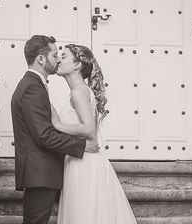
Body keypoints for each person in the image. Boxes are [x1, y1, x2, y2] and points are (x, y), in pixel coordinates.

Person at [11, 34, 99, 224]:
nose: (58, 59)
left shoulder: (34, 85)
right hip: (40, 173)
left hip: (45, 173)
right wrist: (81, 147)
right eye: (54, 55)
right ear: (41, 59)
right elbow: (44, 135)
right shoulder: (32, 87)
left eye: (61, 56)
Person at [52, 43, 137, 224]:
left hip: (83, 163)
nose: (58, 59)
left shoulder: (79, 92)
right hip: (82, 158)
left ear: (77, 65)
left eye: (64, 56)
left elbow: (88, 130)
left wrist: (57, 124)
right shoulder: (81, 91)